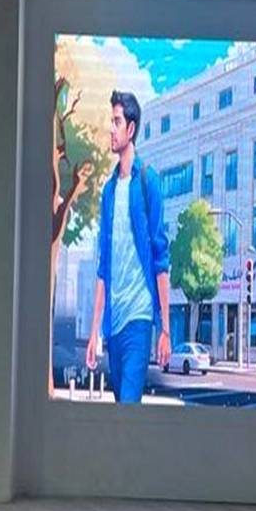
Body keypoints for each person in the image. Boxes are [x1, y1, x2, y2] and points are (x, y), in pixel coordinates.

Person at [85, 90, 172, 403]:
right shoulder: (108, 192)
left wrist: (164, 329)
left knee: (128, 406)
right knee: (120, 409)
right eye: (111, 121)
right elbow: (103, 268)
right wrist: (94, 332)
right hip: (114, 326)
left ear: (131, 129)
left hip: (139, 319)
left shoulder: (149, 182)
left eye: (117, 121)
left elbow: (160, 261)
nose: (111, 128)